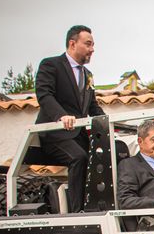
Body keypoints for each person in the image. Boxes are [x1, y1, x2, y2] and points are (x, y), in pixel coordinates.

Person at [35, 25, 105, 212]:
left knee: (103, 158)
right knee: (79, 158)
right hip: (55, 135)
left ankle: (95, 206)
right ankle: (77, 212)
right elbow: (44, 95)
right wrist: (61, 116)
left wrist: (108, 122)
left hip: (78, 135)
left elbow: (92, 106)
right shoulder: (51, 65)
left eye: (93, 45)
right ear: (72, 43)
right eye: (88, 44)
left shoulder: (87, 75)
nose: (92, 49)